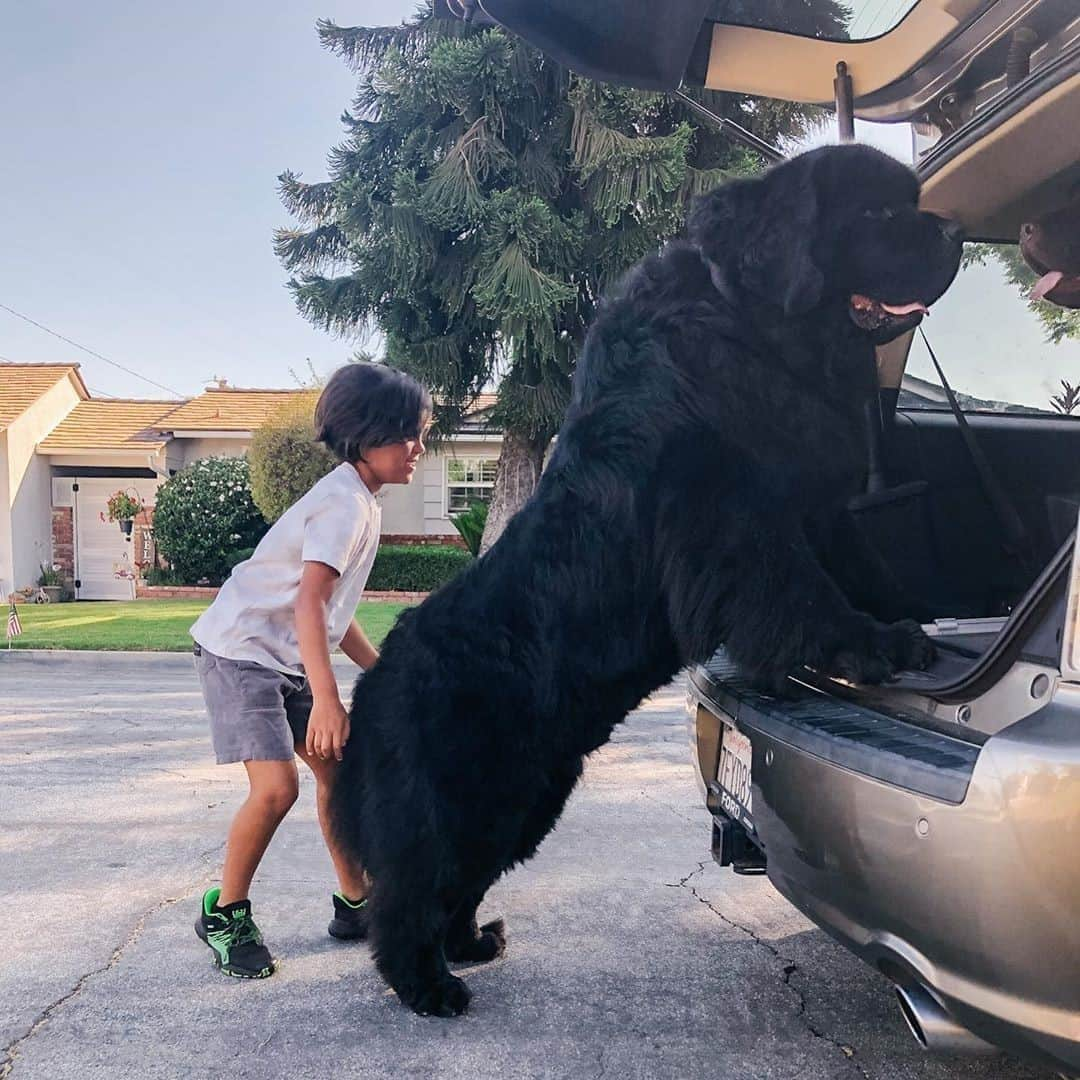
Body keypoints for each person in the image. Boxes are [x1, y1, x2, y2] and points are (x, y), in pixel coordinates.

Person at [189, 362, 431, 979]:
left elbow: (331, 611)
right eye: (408, 435)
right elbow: (309, 603)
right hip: (241, 651)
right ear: (366, 437)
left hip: (285, 652)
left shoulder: (362, 501)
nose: (418, 449)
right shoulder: (343, 505)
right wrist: (328, 699)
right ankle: (225, 912)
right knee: (276, 789)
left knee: (339, 773)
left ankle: (356, 902)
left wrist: (379, 674)